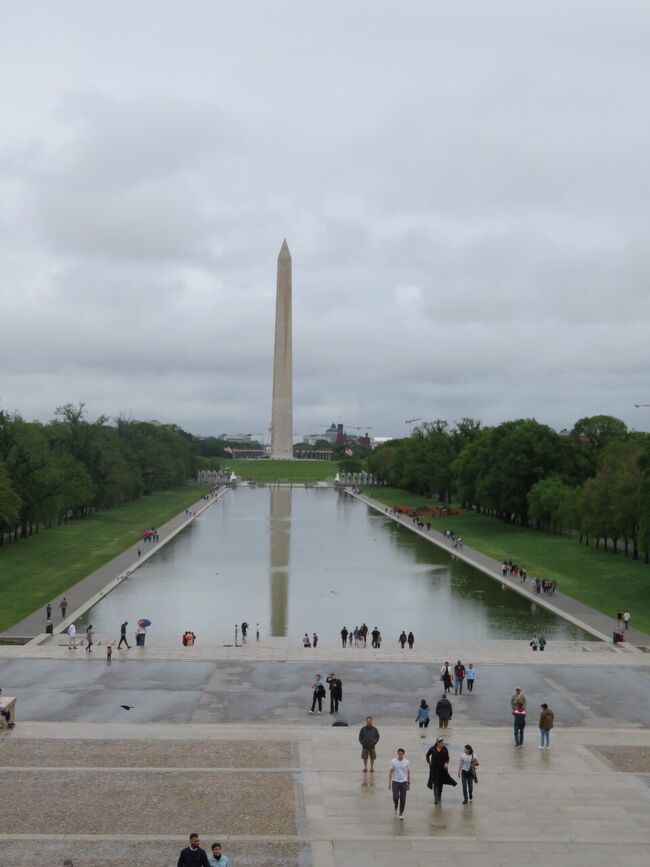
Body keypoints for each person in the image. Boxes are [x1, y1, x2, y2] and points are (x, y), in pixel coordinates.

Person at [426, 736, 457, 804]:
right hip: (434, 769)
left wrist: (446, 763)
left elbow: (447, 757)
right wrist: (429, 762)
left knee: (440, 783)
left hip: (442, 770)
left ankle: (439, 796)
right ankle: (436, 798)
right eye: (442, 743)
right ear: (438, 743)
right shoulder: (432, 749)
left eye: (443, 743)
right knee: (435, 783)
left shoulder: (445, 749)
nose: (443, 744)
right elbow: (427, 755)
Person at [388, 748, 411, 819]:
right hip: (395, 781)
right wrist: (389, 783)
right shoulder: (393, 761)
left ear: (403, 754)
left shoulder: (406, 762)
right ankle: (396, 805)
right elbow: (390, 772)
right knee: (395, 797)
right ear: (397, 753)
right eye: (399, 754)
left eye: (401, 754)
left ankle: (401, 813)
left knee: (403, 798)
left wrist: (409, 783)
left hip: (404, 781)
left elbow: (408, 772)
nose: (400, 755)